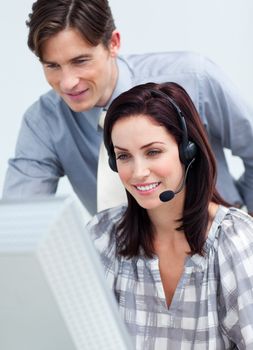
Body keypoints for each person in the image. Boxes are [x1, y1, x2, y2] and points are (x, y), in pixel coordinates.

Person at [3, 0, 253, 216]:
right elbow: (21, 219)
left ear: (113, 43)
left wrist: (242, 225)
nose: (67, 82)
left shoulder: (193, 79)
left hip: (221, 250)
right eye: (52, 66)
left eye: (80, 61)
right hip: (125, 266)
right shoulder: (44, 122)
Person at [86, 82, 253, 349]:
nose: (138, 172)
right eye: (124, 156)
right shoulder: (102, 236)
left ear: (188, 151)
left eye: (153, 152)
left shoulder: (234, 241)